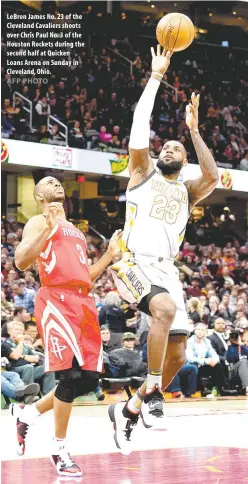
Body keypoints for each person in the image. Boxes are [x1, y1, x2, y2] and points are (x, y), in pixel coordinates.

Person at [109, 45, 219, 454]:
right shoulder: (141, 173)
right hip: (132, 263)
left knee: (179, 353)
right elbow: (140, 127)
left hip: (167, 270)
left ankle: (132, 407)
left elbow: (213, 174)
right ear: (157, 155)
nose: (170, 149)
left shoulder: (188, 191)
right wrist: (156, 77)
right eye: (166, 146)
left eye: (178, 149)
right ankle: (153, 393)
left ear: (184, 160)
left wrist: (193, 130)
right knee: (165, 311)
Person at [11, 176, 121, 477]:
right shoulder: (37, 221)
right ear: (38, 194)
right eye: (49, 182)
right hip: (56, 300)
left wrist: (109, 257)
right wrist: (48, 225)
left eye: (59, 182)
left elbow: (86, 275)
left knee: (87, 380)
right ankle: (59, 449)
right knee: (69, 376)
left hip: (83, 302)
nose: (57, 184)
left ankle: (28, 413)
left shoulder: (77, 231)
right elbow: (21, 261)